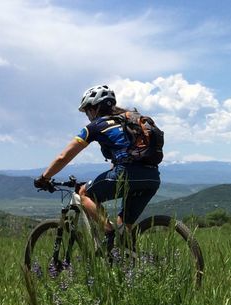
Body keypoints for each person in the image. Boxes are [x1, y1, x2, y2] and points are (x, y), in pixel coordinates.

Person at [34, 85, 161, 249]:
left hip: (126, 174)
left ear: (94, 109)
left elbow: (63, 157)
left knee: (84, 192)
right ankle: (123, 258)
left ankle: (108, 232)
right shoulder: (130, 120)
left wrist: (45, 178)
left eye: (87, 111)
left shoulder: (96, 126)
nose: (88, 116)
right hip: (152, 177)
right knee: (123, 229)